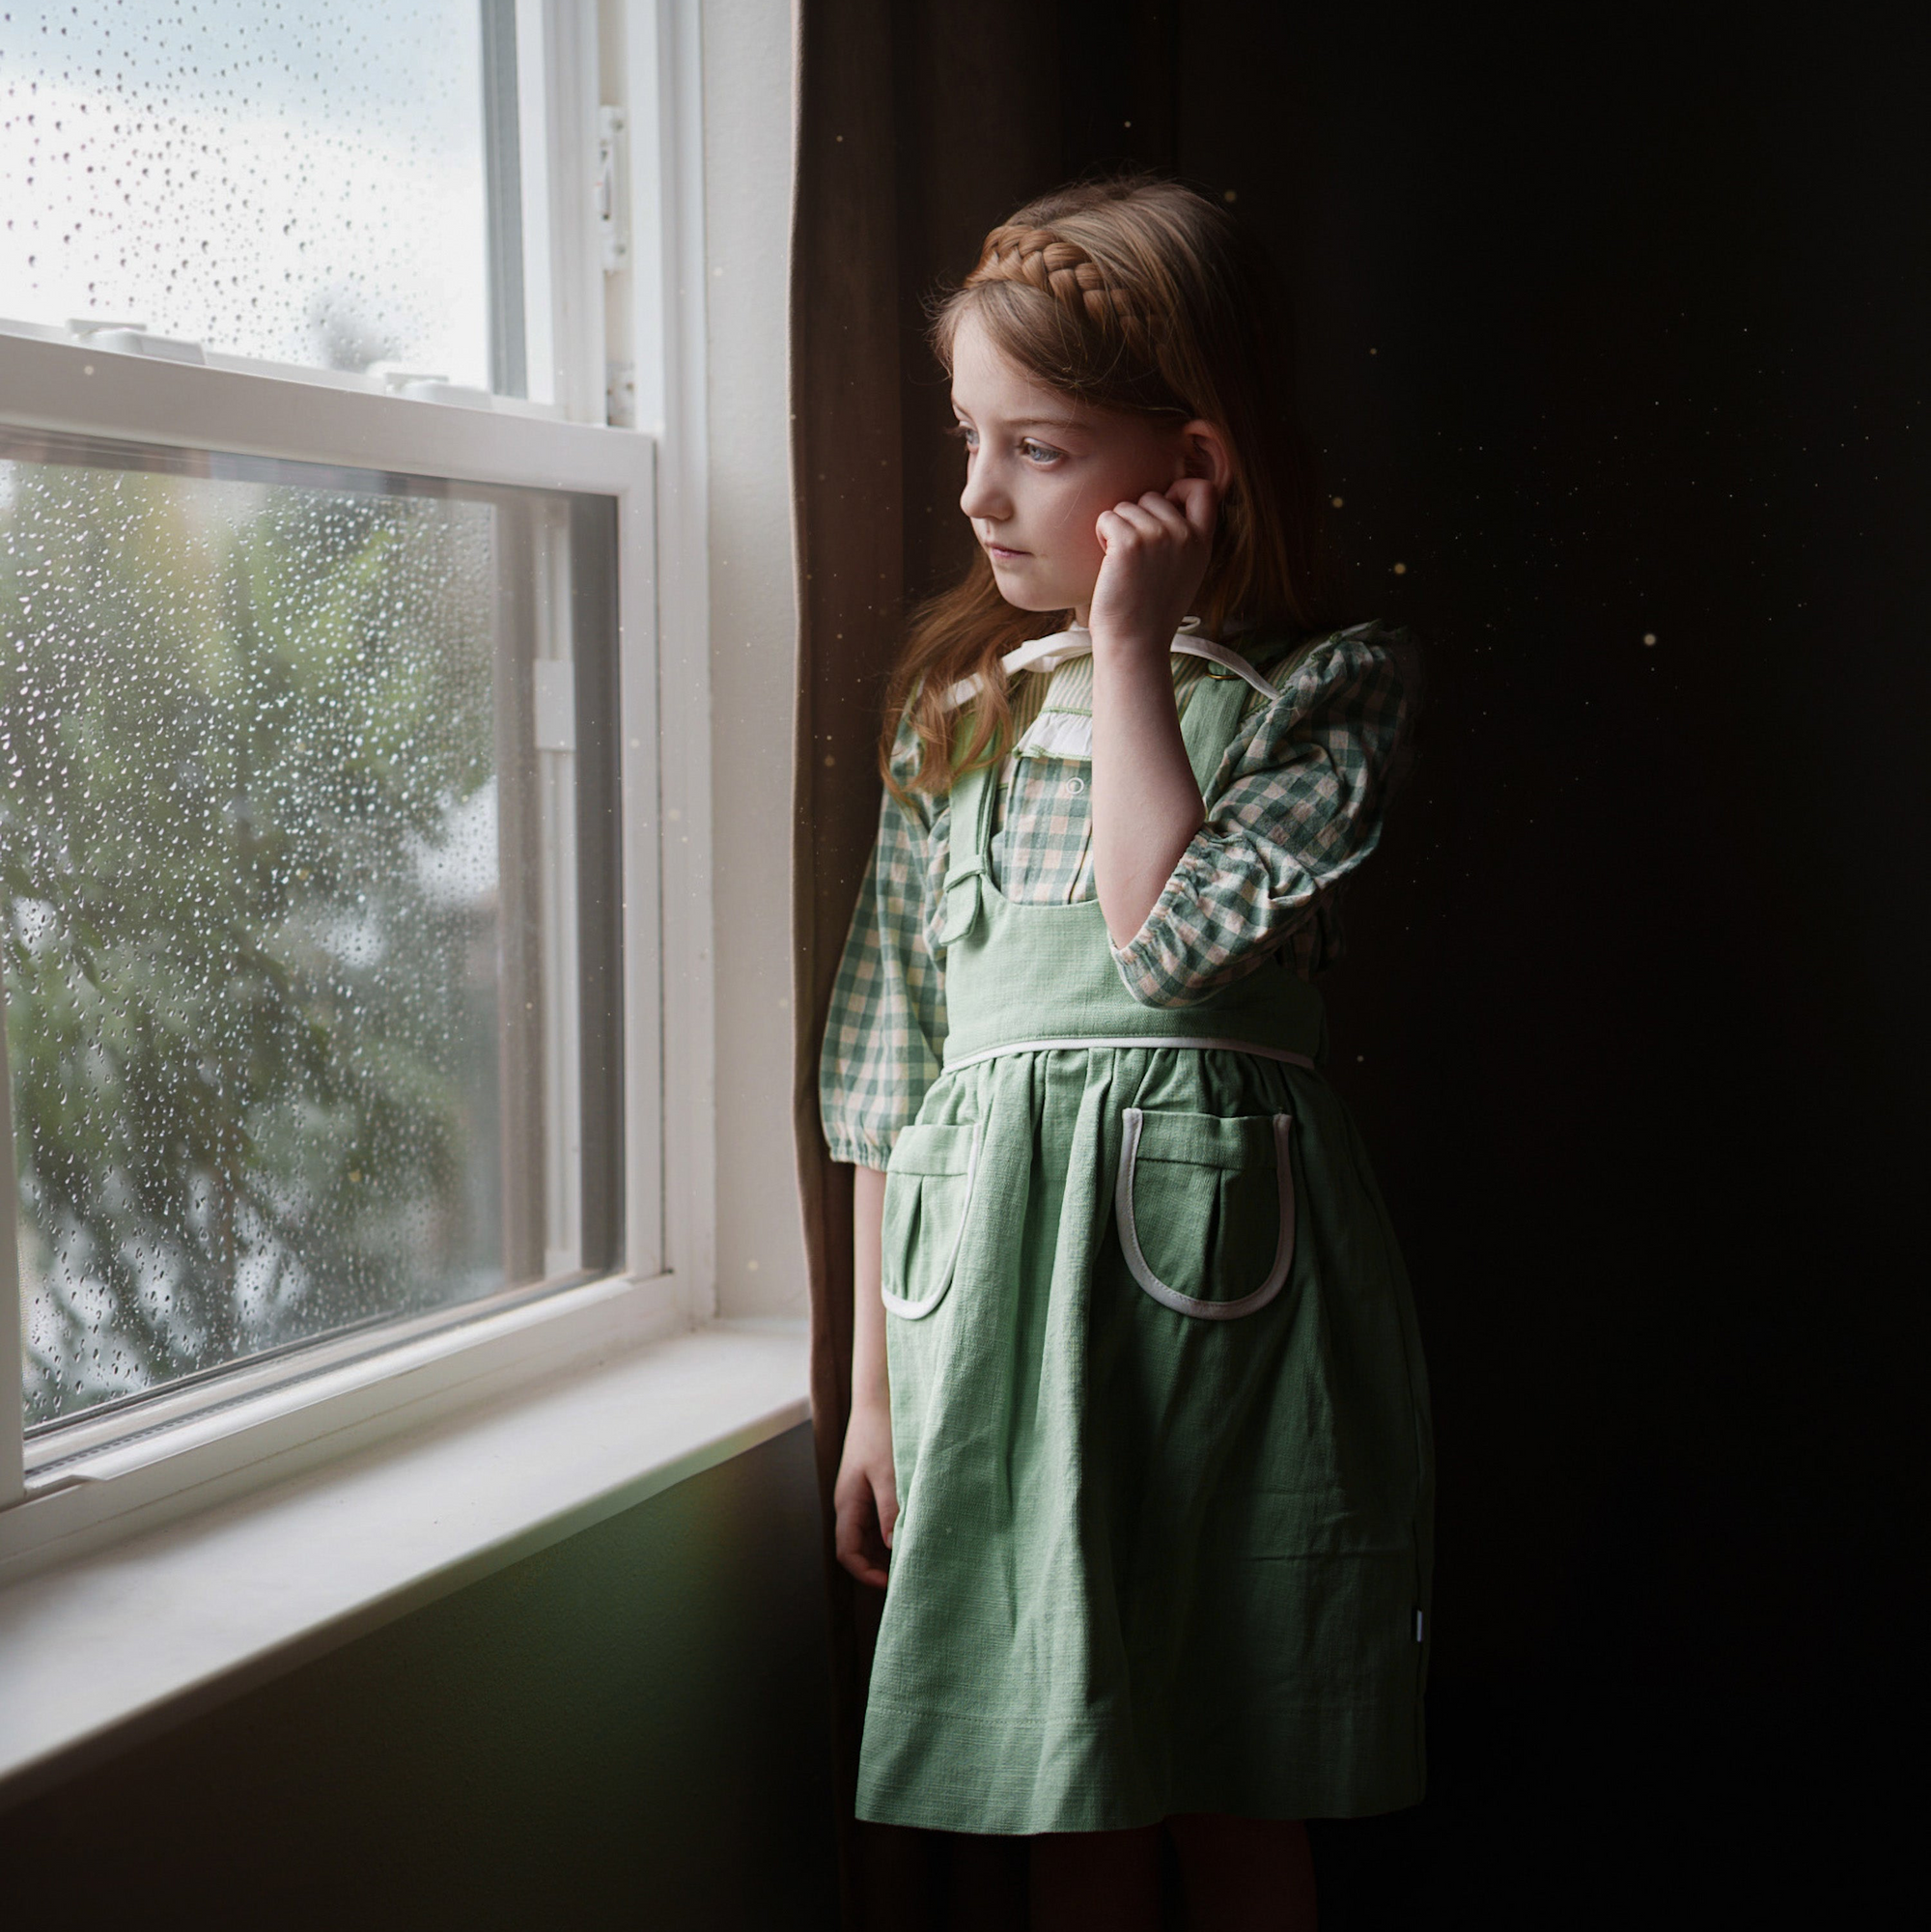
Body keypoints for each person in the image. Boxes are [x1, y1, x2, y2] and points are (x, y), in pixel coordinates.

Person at [820, 176, 1433, 1930]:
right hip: (995, 1297)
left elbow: (1169, 944)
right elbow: (885, 1061)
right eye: (968, 438)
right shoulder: (954, 713)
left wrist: (1130, 646)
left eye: (1038, 448)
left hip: (1229, 1310)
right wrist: (872, 1391)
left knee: (1235, 1768)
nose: (974, 493)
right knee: (1062, 1782)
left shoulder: (1328, 690)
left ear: (1188, 466)